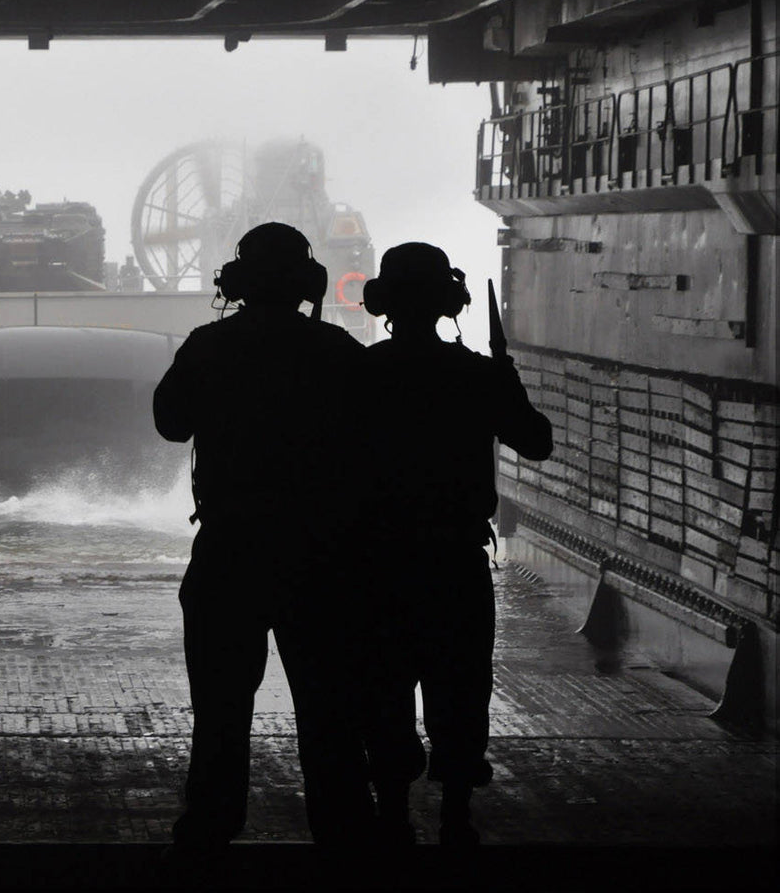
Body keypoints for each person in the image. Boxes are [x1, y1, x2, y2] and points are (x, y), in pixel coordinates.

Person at [153, 222, 374, 858]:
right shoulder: (338, 351)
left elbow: (171, 424)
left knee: (221, 707)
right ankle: (345, 832)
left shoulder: (207, 346)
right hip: (322, 557)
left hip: (231, 547)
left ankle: (210, 828)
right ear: (308, 283)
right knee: (331, 710)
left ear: (236, 283)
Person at [357, 242, 552, 846]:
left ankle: (390, 810)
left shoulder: (358, 373)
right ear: (452, 301)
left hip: (378, 562)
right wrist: (506, 378)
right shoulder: (478, 375)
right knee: (460, 686)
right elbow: (537, 442)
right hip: (453, 561)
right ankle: (456, 814)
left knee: (383, 688)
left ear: (382, 302)